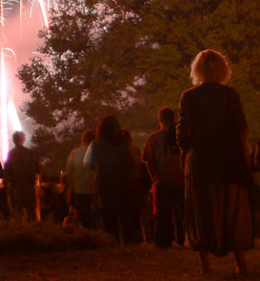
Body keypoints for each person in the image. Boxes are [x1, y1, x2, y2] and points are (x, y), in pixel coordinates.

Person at [177, 48, 252, 275]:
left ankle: (205, 264)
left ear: (197, 70)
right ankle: (240, 262)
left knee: (201, 212)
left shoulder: (189, 97)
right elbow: (241, 127)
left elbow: (183, 132)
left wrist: (184, 157)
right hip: (229, 158)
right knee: (233, 210)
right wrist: (243, 154)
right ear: (222, 69)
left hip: (199, 161)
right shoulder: (230, 94)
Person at [85, 115, 139, 244]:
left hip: (105, 185)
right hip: (123, 184)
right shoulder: (125, 144)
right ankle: (129, 242)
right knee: (126, 217)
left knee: (109, 218)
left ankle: (112, 242)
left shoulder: (95, 144)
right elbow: (134, 162)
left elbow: (88, 164)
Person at [143, 106, 186, 249]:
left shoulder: (154, 138)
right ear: (173, 119)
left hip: (163, 178)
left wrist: (153, 177)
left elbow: (149, 160)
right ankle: (183, 238)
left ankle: (163, 241)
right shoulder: (180, 135)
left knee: (163, 212)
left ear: (159, 119)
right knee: (183, 212)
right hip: (181, 178)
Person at [66, 129, 98, 228]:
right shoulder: (96, 153)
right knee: (95, 217)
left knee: (81, 218)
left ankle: (84, 235)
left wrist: (71, 187)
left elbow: (68, 173)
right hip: (94, 190)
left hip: (79, 190)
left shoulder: (75, 153)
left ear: (82, 140)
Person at [5, 131, 39, 221]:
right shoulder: (30, 153)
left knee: (17, 215)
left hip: (16, 188)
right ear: (23, 139)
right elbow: (37, 169)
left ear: (14, 140)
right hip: (29, 187)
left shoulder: (11, 154)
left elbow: (7, 172)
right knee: (31, 214)